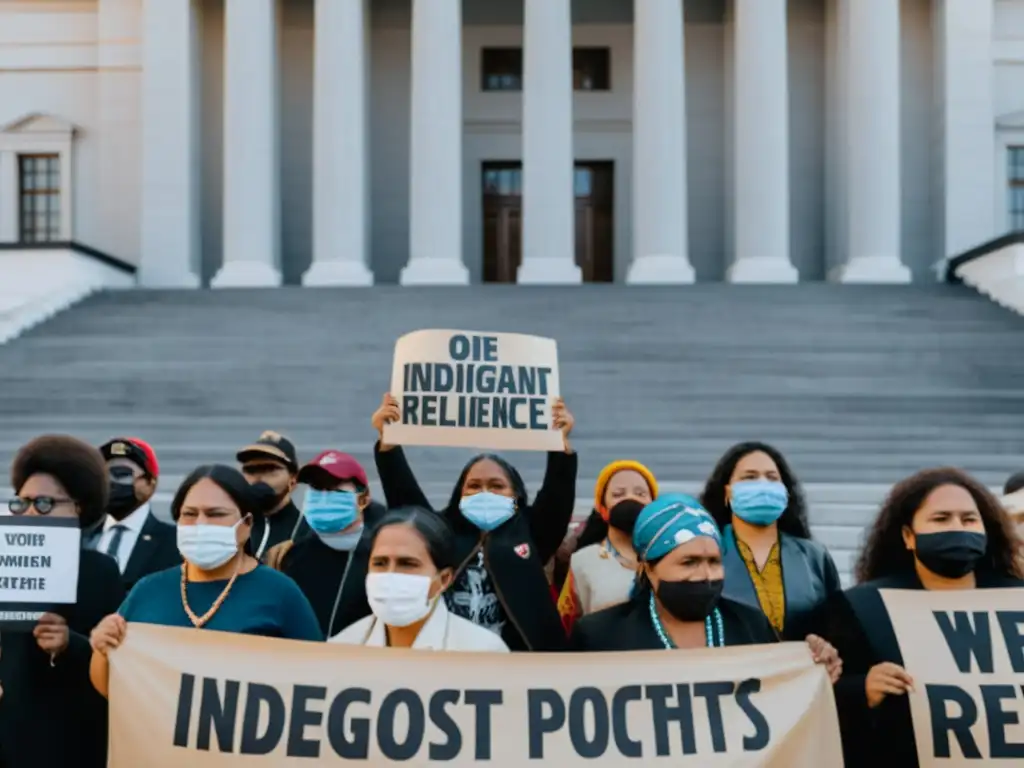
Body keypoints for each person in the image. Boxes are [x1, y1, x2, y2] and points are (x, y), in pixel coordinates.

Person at [826, 467, 1024, 767]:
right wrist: (863, 689)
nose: (958, 527)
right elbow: (822, 697)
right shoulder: (861, 608)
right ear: (908, 535)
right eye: (941, 519)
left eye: (969, 519)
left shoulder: (1017, 597)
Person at [88, 464, 323, 699]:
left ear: (247, 524)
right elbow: (113, 688)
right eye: (189, 514)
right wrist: (103, 648)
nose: (200, 524)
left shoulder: (280, 593)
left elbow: (317, 680)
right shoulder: (148, 590)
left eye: (215, 514)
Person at [371, 392, 577, 652]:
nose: (485, 492)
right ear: (460, 494)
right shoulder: (441, 533)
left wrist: (559, 443)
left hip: (521, 665)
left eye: (496, 485)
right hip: (447, 659)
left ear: (516, 497)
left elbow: (557, 494)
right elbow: (405, 498)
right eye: (474, 486)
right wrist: (388, 444)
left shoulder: (532, 531)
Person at [570, 495, 842, 684]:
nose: (705, 576)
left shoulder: (752, 627)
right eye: (689, 563)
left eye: (714, 562)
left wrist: (813, 663)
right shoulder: (600, 637)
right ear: (648, 569)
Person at [0, 435, 125, 768]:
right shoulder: (5, 563)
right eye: (21, 502)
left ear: (77, 507)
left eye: (43, 503)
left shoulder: (100, 571)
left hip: (71, 740)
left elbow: (118, 663)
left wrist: (71, 644)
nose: (28, 512)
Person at [701, 441, 841, 640]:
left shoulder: (814, 557)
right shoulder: (704, 553)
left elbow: (838, 626)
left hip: (803, 668)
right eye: (750, 477)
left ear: (785, 492)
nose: (762, 485)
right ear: (728, 492)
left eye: (772, 478)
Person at [332, 507, 509, 651]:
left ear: (444, 579)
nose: (390, 574)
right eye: (380, 563)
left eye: (407, 564)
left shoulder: (483, 652)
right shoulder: (341, 649)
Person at [269, 450, 386, 637]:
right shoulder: (287, 556)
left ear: (363, 499)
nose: (323, 496)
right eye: (316, 488)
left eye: (333, 488)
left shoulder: (384, 558)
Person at [558, 461, 658, 631]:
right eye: (618, 494)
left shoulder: (671, 556)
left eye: (640, 494)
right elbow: (566, 625)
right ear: (602, 508)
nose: (630, 498)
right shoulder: (583, 561)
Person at [84, 437, 179, 590]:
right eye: (104, 476)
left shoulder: (174, 542)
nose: (111, 483)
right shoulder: (81, 537)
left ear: (150, 483)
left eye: (122, 474)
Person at [236, 430, 307, 558]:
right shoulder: (232, 528)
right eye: (250, 470)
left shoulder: (305, 532)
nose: (258, 478)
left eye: (270, 469)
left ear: (294, 479)